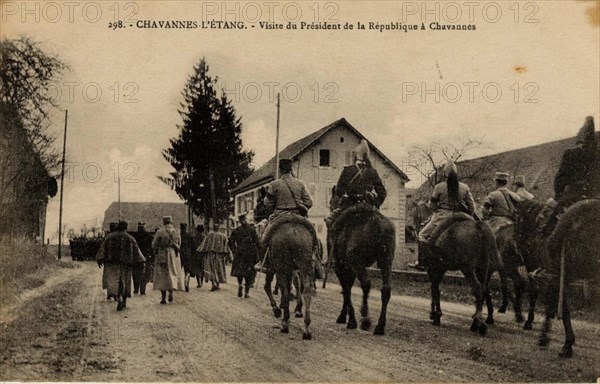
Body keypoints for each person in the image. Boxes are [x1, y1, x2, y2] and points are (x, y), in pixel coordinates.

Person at [409, 161, 476, 271]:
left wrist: (438, 206)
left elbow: (432, 207)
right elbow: (472, 208)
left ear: (445, 174)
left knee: (421, 235)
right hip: (462, 216)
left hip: (442, 217)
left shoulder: (439, 187)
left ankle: (422, 262)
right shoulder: (465, 187)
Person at [544, 116, 600, 236]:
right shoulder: (597, 154)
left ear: (580, 139)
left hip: (574, 196)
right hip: (596, 195)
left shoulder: (571, 153)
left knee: (550, 230)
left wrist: (558, 195)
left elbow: (560, 179)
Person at [325, 140, 386, 226]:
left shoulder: (347, 170)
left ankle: (331, 239)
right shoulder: (372, 172)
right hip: (368, 206)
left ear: (355, 156)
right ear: (366, 156)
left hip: (350, 206)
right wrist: (376, 204)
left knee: (333, 225)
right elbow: (382, 193)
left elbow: (339, 192)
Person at [96, 221, 146, 311]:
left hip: (113, 263)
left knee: (116, 281)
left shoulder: (109, 237)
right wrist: (142, 261)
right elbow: (137, 251)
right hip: (126, 263)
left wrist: (100, 259)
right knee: (126, 281)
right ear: (126, 227)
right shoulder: (130, 238)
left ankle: (118, 297)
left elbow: (102, 249)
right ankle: (124, 302)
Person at [152, 216, 184, 304]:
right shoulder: (176, 232)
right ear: (171, 222)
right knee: (173, 272)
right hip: (173, 255)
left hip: (162, 255)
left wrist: (158, 250)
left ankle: (163, 298)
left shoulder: (160, 232)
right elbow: (179, 244)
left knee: (162, 275)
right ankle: (171, 292)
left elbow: (154, 244)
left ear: (163, 222)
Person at [229, 214, 260, 298]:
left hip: (239, 254)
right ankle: (246, 293)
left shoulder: (236, 230)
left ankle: (240, 285)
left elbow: (230, 241)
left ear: (239, 221)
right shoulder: (252, 230)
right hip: (250, 254)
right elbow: (257, 242)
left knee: (240, 271)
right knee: (249, 273)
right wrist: (258, 254)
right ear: (245, 219)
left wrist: (234, 250)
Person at [197, 223, 231, 291]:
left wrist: (201, 251)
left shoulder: (209, 235)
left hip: (210, 255)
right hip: (219, 255)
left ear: (213, 228)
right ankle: (217, 284)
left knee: (211, 269)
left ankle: (214, 284)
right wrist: (229, 255)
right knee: (219, 269)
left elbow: (203, 245)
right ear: (219, 228)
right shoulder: (223, 236)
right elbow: (227, 247)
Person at [132, 222, 154, 295]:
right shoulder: (149, 236)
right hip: (146, 257)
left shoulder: (134, 236)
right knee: (144, 273)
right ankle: (142, 289)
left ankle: (136, 288)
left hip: (136, 257)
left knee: (136, 273)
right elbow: (152, 248)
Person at [100, 222, 119, 301]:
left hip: (108, 260)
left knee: (109, 276)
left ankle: (110, 293)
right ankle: (115, 294)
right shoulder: (118, 237)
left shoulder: (107, 237)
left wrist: (101, 258)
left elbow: (102, 249)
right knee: (115, 277)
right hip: (117, 260)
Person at [179, 223, 195, 292]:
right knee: (187, 270)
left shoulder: (179, 235)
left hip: (179, 254)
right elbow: (193, 247)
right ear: (186, 228)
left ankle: (178, 284)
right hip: (188, 255)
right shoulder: (189, 236)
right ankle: (186, 282)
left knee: (178, 269)